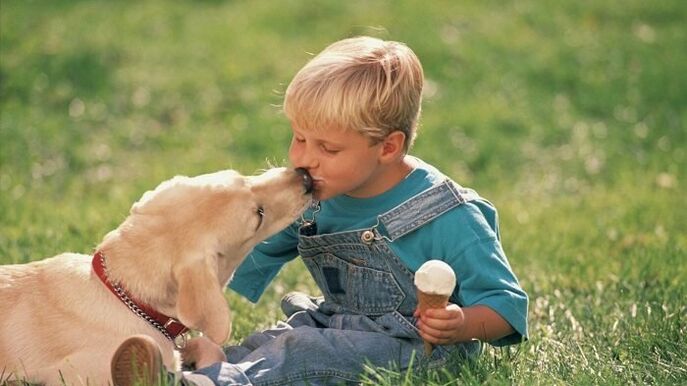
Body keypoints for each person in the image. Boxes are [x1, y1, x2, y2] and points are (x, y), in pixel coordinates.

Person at [111, 35, 528, 386]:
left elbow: (506, 307)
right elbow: (240, 252)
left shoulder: (446, 213)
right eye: (298, 138)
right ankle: (191, 367)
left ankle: (210, 381)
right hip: (331, 325)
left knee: (301, 351)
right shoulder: (314, 197)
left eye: (327, 148)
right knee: (271, 341)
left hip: (417, 348)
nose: (304, 159)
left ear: (388, 147)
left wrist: (462, 324)